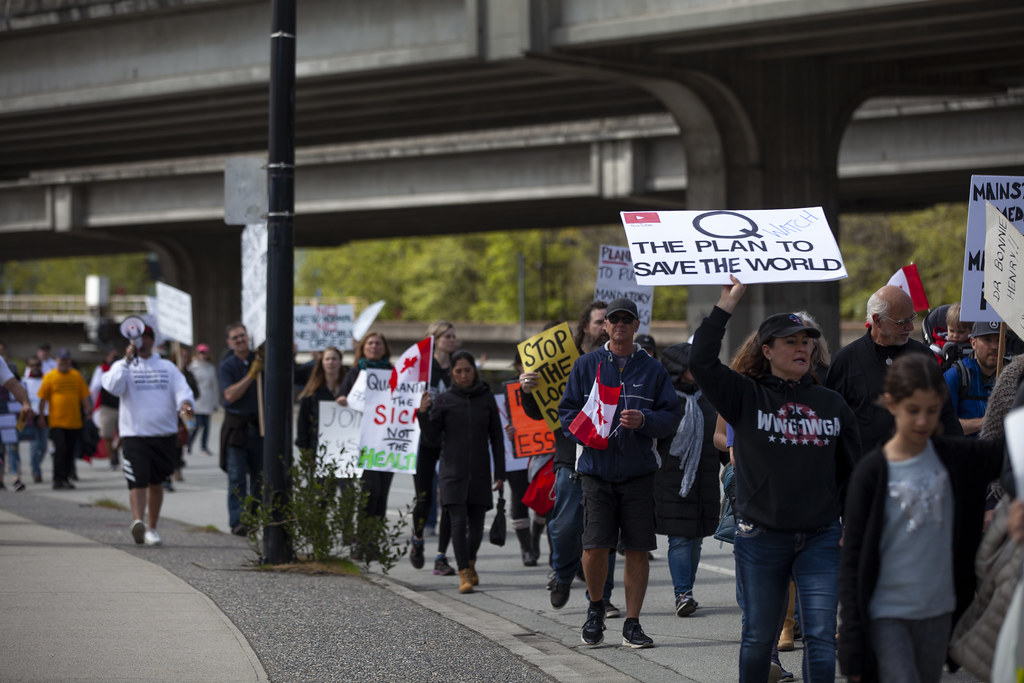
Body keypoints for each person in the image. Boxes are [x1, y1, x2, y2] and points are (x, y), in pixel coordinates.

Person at [690, 277, 860, 682]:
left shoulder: (830, 404)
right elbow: (701, 362)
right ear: (767, 351)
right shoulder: (744, 395)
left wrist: (850, 524)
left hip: (820, 538)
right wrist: (725, 307)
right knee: (758, 637)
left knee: (820, 638)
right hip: (761, 537)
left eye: (807, 341)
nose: (802, 347)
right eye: (790, 341)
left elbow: (854, 472)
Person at [838, 354, 1005, 683]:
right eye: (913, 410)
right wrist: (851, 644)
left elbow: (1013, 448)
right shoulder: (872, 473)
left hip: (939, 611)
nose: (922, 421)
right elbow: (853, 561)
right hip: (887, 613)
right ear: (891, 404)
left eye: (931, 411)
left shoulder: (958, 458)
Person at [559, 298, 682, 649]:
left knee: (638, 549)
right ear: (605, 326)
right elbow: (567, 411)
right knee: (595, 547)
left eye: (627, 320)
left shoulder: (653, 369)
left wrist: (646, 421)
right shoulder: (586, 365)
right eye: (614, 320)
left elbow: (672, 415)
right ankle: (595, 608)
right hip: (596, 471)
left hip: (638, 472)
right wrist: (585, 431)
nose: (620, 325)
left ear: (636, 326)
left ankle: (632, 623)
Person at [545, 301, 625, 613]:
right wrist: (529, 390)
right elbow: (544, 409)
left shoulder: (624, 361)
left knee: (604, 530)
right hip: (572, 458)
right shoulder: (567, 363)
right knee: (565, 527)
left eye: (610, 321)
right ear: (586, 327)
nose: (606, 326)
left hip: (608, 460)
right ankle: (564, 574)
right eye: (599, 322)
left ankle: (602, 597)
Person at [826, 284, 961, 454]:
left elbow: (946, 416)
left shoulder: (923, 357)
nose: (911, 327)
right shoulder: (845, 361)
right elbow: (831, 423)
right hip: (865, 472)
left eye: (912, 319)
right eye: (902, 322)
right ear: (877, 320)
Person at [417, 349, 505, 593]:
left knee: (476, 526)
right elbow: (431, 437)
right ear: (452, 374)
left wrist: (500, 472)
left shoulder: (486, 397)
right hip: (451, 471)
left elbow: (496, 437)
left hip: (478, 470)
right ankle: (463, 572)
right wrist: (422, 414)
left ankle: (471, 561)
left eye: (468, 370)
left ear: (474, 371)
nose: (464, 375)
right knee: (457, 521)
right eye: (458, 371)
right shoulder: (444, 400)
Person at [102, 324, 195, 546]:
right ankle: (138, 523)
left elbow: (183, 391)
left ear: (153, 340)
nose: (141, 342)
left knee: (156, 483)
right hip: (135, 433)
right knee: (138, 481)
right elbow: (112, 386)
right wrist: (125, 361)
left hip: (164, 433)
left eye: (145, 337)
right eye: (137, 338)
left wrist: (185, 404)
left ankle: (152, 528)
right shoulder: (123, 366)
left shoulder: (167, 367)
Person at [654, 342, 727, 618]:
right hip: (671, 481)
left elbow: (721, 439)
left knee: (696, 538)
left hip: (705, 480)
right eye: (689, 365)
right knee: (681, 538)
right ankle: (682, 593)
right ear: (676, 368)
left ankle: (687, 590)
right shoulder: (662, 399)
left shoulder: (710, 397)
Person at [410, 320, 458, 574]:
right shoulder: (422, 369)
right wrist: (419, 408)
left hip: (451, 440)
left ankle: (441, 556)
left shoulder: (458, 368)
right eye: (446, 336)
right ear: (435, 339)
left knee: (449, 499)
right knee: (425, 498)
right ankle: (417, 540)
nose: (451, 340)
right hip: (426, 439)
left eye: (453, 336)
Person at [335, 332, 396, 525]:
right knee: (370, 490)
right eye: (370, 343)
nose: (374, 346)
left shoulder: (394, 373)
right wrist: (343, 400)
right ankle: (362, 538)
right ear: (363, 348)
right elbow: (341, 397)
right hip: (363, 443)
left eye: (378, 343)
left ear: (385, 348)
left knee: (383, 493)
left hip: (386, 442)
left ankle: (374, 540)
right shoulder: (355, 373)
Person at [218, 323, 263, 536]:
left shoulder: (260, 359)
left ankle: (252, 519)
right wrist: (251, 376)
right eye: (235, 337)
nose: (239, 340)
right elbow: (230, 395)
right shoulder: (227, 366)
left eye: (242, 336)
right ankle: (237, 521)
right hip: (237, 428)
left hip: (259, 426)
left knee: (259, 478)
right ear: (229, 342)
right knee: (237, 477)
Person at [37, 348, 91, 490]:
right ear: (57, 360)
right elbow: (42, 398)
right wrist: (41, 416)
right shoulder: (50, 376)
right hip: (57, 422)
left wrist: (88, 410)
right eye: (61, 360)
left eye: (66, 360)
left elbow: (84, 395)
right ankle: (57, 479)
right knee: (60, 450)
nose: (64, 362)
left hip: (74, 421)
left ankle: (66, 478)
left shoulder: (76, 375)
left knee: (70, 451)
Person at [944, 320, 999, 436]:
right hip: (964, 452)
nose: (994, 346)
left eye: (999, 340)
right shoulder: (955, 376)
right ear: (973, 343)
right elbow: (945, 426)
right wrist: (988, 422)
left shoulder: (1015, 377)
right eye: (987, 340)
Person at [89, 347, 122, 469]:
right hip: (107, 407)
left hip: (122, 407)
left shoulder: (123, 369)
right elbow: (94, 388)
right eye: (113, 357)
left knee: (124, 434)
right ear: (106, 358)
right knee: (107, 435)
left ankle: (115, 450)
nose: (115, 359)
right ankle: (112, 459)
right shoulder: (101, 369)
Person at [20, 357, 48, 483]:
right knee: (34, 446)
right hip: (31, 417)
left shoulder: (46, 380)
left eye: (37, 365)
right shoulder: (24, 382)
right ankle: (36, 471)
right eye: (33, 365)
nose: (35, 367)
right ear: (29, 367)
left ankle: (36, 465)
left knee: (43, 447)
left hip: (45, 416)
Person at [188, 343, 219, 455]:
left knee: (206, 426)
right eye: (201, 352)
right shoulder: (192, 367)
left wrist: (215, 402)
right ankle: (189, 444)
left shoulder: (210, 367)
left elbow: (214, 385)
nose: (203, 355)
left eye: (205, 352)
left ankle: (204, 447)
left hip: (208, 400)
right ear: (197, 353)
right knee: (196, 425)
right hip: (197, 400)